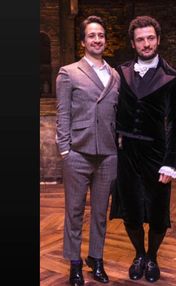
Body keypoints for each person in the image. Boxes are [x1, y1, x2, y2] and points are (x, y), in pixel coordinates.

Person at [110, 15, 176, 283]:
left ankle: (152, 256)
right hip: (126, 152)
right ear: (133, 43)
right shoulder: (120, 72)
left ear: (158, 39)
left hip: (157, 154)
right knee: (130, 209)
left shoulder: (173, 78)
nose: (146, 43)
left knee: (157, 212)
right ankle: (138, 254)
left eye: (150, 38)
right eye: (140, 39)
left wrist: (171, 163)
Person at [56, 15, 120, 286]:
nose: (97, 39)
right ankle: (74, 263)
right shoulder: (69, 72)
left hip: (107, 154)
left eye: (101, 35)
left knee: (100, 212)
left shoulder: (115, 75)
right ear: (83, 41)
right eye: (91, 35)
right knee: (74, 211)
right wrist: (64, 150)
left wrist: (119, 143)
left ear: (105, 39)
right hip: (78, 153)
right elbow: (63, 114)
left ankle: (96, 258)